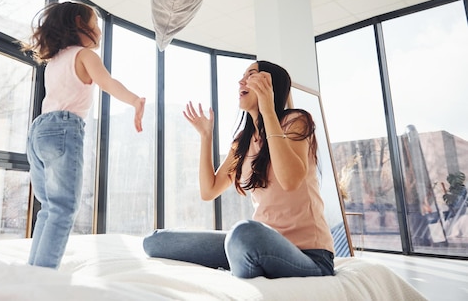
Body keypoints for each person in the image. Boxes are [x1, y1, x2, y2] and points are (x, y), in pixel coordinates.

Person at [143, 60, 334, 279]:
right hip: (257, 246)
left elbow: (290, 181)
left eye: (251, 75)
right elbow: (209, 191)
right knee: (156, 241)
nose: (240, 81)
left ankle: (241, 270)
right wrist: (206, 137)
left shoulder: (296, 121)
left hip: (309, 255)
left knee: (244, 233)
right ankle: (242, 261)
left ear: (271, 85)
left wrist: (268, 111)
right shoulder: (243, 141)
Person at [23, 1, 145, 269]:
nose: (99, 32)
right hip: (64, 128)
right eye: (96, 25)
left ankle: (33, 271)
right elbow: (108, 83)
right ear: (80, 23)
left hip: (38, 131)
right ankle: (42, 278)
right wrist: (135, 100)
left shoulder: (55, 60)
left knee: (49, 208)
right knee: (63, 208)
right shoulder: (84, 55)